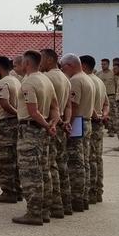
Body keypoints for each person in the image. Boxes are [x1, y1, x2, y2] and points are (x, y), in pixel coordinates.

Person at [13, 51, 55, 225]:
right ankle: (44, 210)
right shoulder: (46, 80)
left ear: (27, 63)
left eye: (22, 62)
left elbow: (33, 111)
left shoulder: (29, 82)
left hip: (30, 130)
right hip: (42, 131)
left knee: (30, 173)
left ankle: (34, 212)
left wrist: (46, 125)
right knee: (44, 170)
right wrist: (52, 124)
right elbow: (56, 108)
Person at [39, 49, 70, 218]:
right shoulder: (65, 78)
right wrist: (65, 121)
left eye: (41, 59)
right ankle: (61, 204)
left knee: (48, 166)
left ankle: (49, 205)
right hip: (60, 124)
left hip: (49, 125)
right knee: (59, 165)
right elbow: (67, 106)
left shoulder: (48, 78)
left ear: (49, 60)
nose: (40, 63)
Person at [61, 54, 93, 213]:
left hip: (78, 122)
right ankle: (84, 196)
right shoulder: (87, 78)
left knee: (75, 163)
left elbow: (72, 107)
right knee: (84, 161)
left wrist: (68, 125)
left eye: (63, 67)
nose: (63, 70)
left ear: (70, 65)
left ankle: (76, 198)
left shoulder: (75, 81)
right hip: (86, 121)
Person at [0, 56, 22, 204]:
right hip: (15, 124)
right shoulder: (16, 80)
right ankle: (17, 189)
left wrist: (16, 113)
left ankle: (8, 191)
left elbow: (4, 103)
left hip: (5, 124)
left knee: (4, 160)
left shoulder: (3, 83)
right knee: (14, 159)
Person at [83, 55, 108, 204]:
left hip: (90, 121)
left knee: (88, 158)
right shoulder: (99, 81)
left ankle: (91, 192)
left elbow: (88, 103)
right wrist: (103, 115)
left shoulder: (86, 81)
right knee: (97, 158)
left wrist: (95, 115)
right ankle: (98, 191)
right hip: (98, 122)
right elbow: (106, 103)